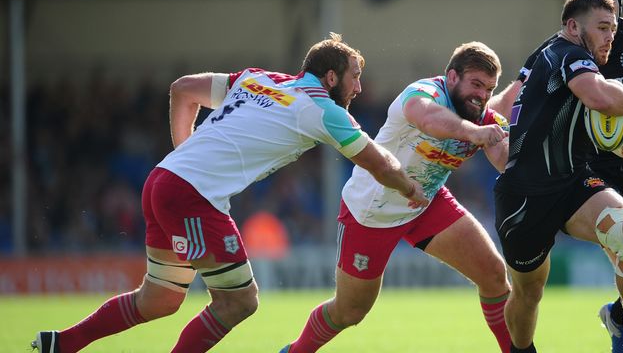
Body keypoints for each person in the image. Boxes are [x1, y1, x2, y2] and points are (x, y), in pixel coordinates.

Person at [31, 33, 429, 353]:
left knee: (159, 299)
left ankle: (62, 344)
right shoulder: (324, 110)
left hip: (163, 180)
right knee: (240, 301)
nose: (358, 87)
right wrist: (412, 187)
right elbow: (379, 163)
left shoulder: (259, 78)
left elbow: (183, 89)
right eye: (354, 76)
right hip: (191, 195)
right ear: (330, 77)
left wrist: (182, 155)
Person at [490, 0, 623, 353]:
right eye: (601, 26)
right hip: (525, 196)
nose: (609, 36)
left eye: (612, 25)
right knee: (528, 293)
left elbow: (612, 136)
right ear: (572, 24)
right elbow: (601, 99)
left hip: (575, 182)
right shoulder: (562, 54)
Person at [280, 41, 513, 353]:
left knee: (495, 276)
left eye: (489, 88)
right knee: (349, 311)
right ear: (452, 77)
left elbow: (503, 160)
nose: (482, 95)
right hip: (372, 211)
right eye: (476, 84)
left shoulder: (480, 114)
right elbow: (428, 119)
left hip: (426, 202)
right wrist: (474, 133)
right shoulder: (423, 93)